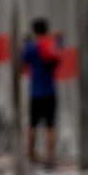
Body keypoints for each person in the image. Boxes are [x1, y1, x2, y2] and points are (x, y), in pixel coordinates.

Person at [22, 17, 63, 165]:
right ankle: (50, 155)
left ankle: (31, 154)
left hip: (35, 92)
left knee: (32, 124)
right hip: (50, 90)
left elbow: (23, 61)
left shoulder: (31, 47)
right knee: (50, 125)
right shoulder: (51, 43)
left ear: (34, 30)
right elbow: (59, 50)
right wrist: (56, 37)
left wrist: (26, 43)